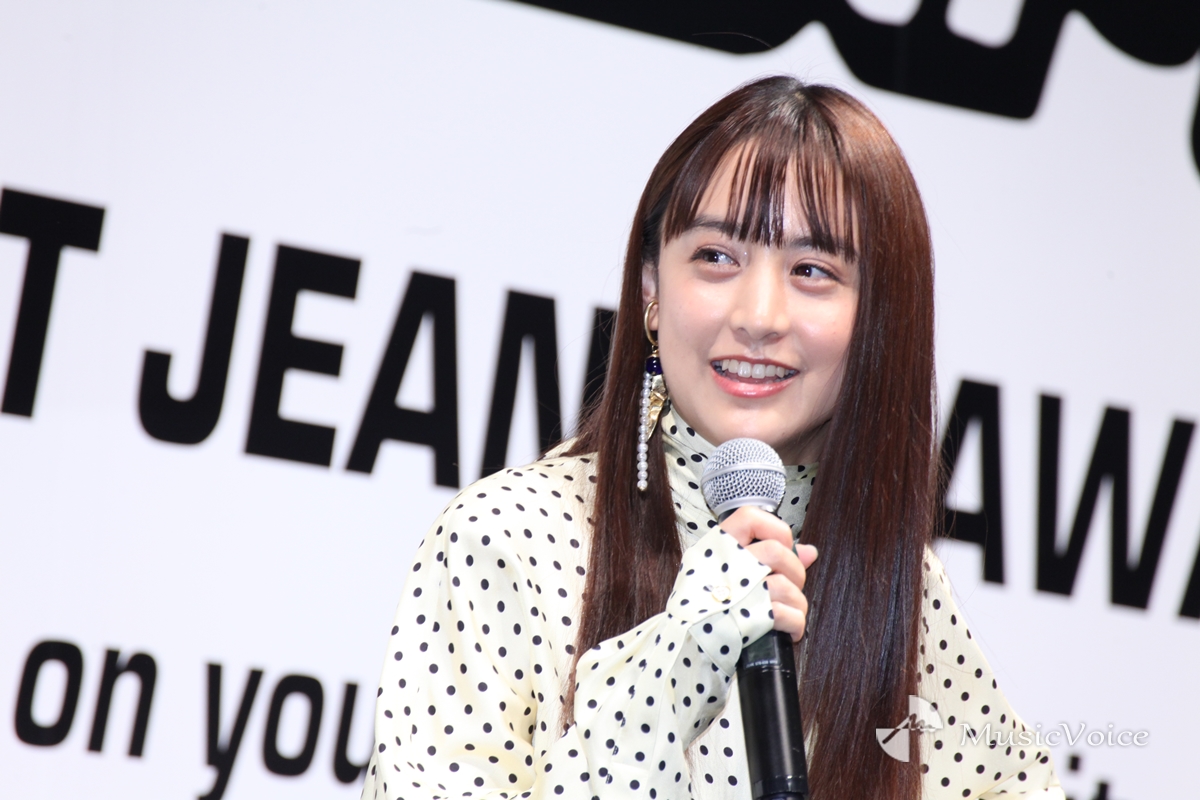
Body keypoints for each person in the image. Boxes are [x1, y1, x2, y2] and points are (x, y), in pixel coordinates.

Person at [361, 77, 1064, 800]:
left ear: (879, 323)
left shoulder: (904, 589)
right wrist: (665, 680)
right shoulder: (506, 537)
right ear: (650, 291)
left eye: (812, 270)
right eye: (717, 258)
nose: (759, 316)